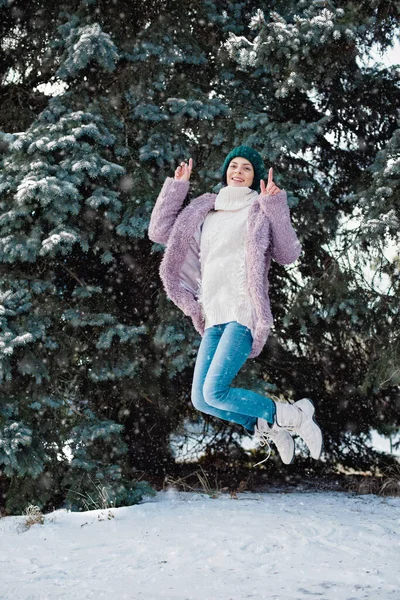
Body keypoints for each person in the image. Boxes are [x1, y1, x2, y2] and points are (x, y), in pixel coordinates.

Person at [148, 146, 323, 465]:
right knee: (201, 400)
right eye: (234, 165)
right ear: (226, 170)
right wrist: (177, 188)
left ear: (255, 177)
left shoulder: (259, 209)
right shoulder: (205, 208)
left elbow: (287, 254)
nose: (238, 171)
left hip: (243, 313)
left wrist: (275, 204)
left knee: (215, 391)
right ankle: (263, 425)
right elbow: (159, 232)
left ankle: (293, 416)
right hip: (213, 314)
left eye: (247, 168)